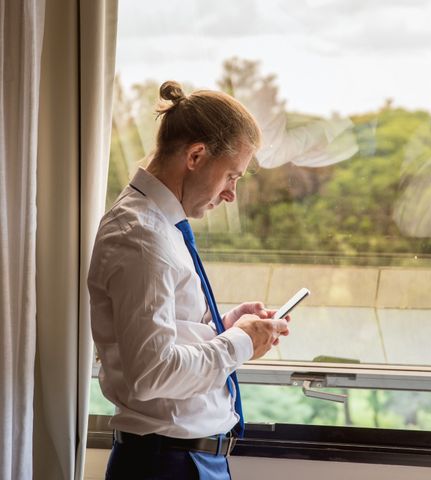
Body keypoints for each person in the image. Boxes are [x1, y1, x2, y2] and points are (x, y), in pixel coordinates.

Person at [88, 80, 290, 479]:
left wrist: (223, 327)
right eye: (232, 175)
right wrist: (240, 342)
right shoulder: (142, 237)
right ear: (196, 155)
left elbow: (161, 335)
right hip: (167, 464)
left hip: (185, 459)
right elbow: (151, 373)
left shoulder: (160, 227)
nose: (231, 194)